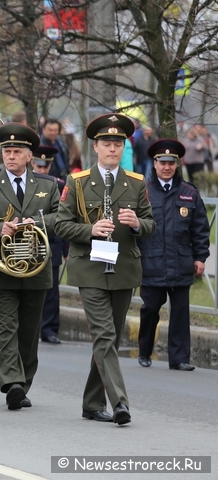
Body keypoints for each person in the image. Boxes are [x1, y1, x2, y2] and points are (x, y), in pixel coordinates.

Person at [55, 113, 155, 426]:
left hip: (123, 268)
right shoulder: (78, 182)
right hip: (90, 268)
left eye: (118, 144)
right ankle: (120, 403)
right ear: (95, 147)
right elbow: (60, 224)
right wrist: (89, 230)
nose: (112, 149)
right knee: (105, 334)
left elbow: (151, 224)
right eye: (106, 143)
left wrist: (138, 224)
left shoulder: (136, 183)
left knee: (106, 339)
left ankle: (91, 402)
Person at [0, 124, 59, 410]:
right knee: (8, 326)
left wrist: (34, 223)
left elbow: (60, 218)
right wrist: (0, 228)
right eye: (6, 151)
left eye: (16, 152)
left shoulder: (48, 186)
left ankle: (23, 383)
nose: (10, 156)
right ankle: (11, 381)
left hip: (37, 268)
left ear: (29, 156)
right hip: (3, 268)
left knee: (29, 330)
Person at [137, 139, 209, 371]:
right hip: (152, 261)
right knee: (149, 310)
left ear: (177, 164)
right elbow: (134, 229)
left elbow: (200, 228)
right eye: (162, 162)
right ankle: (145, 351)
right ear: (155, 163)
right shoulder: (143, 193)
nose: (167, 167)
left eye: (171, 163)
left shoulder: (189, 193)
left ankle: (179, 358)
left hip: (180, 262)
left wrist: (200, 257)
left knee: (180, 312)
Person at [31, 146, 68, 345]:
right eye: (39, 165)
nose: (42, 170)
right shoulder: (26, 183)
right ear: (32, 163)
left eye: (46, 167)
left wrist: (66, 249)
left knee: (51, 290)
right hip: (28, 243)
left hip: (51, 243)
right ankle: (32, 327)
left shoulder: (59, 185)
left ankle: (50, 329)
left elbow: (65, 218)